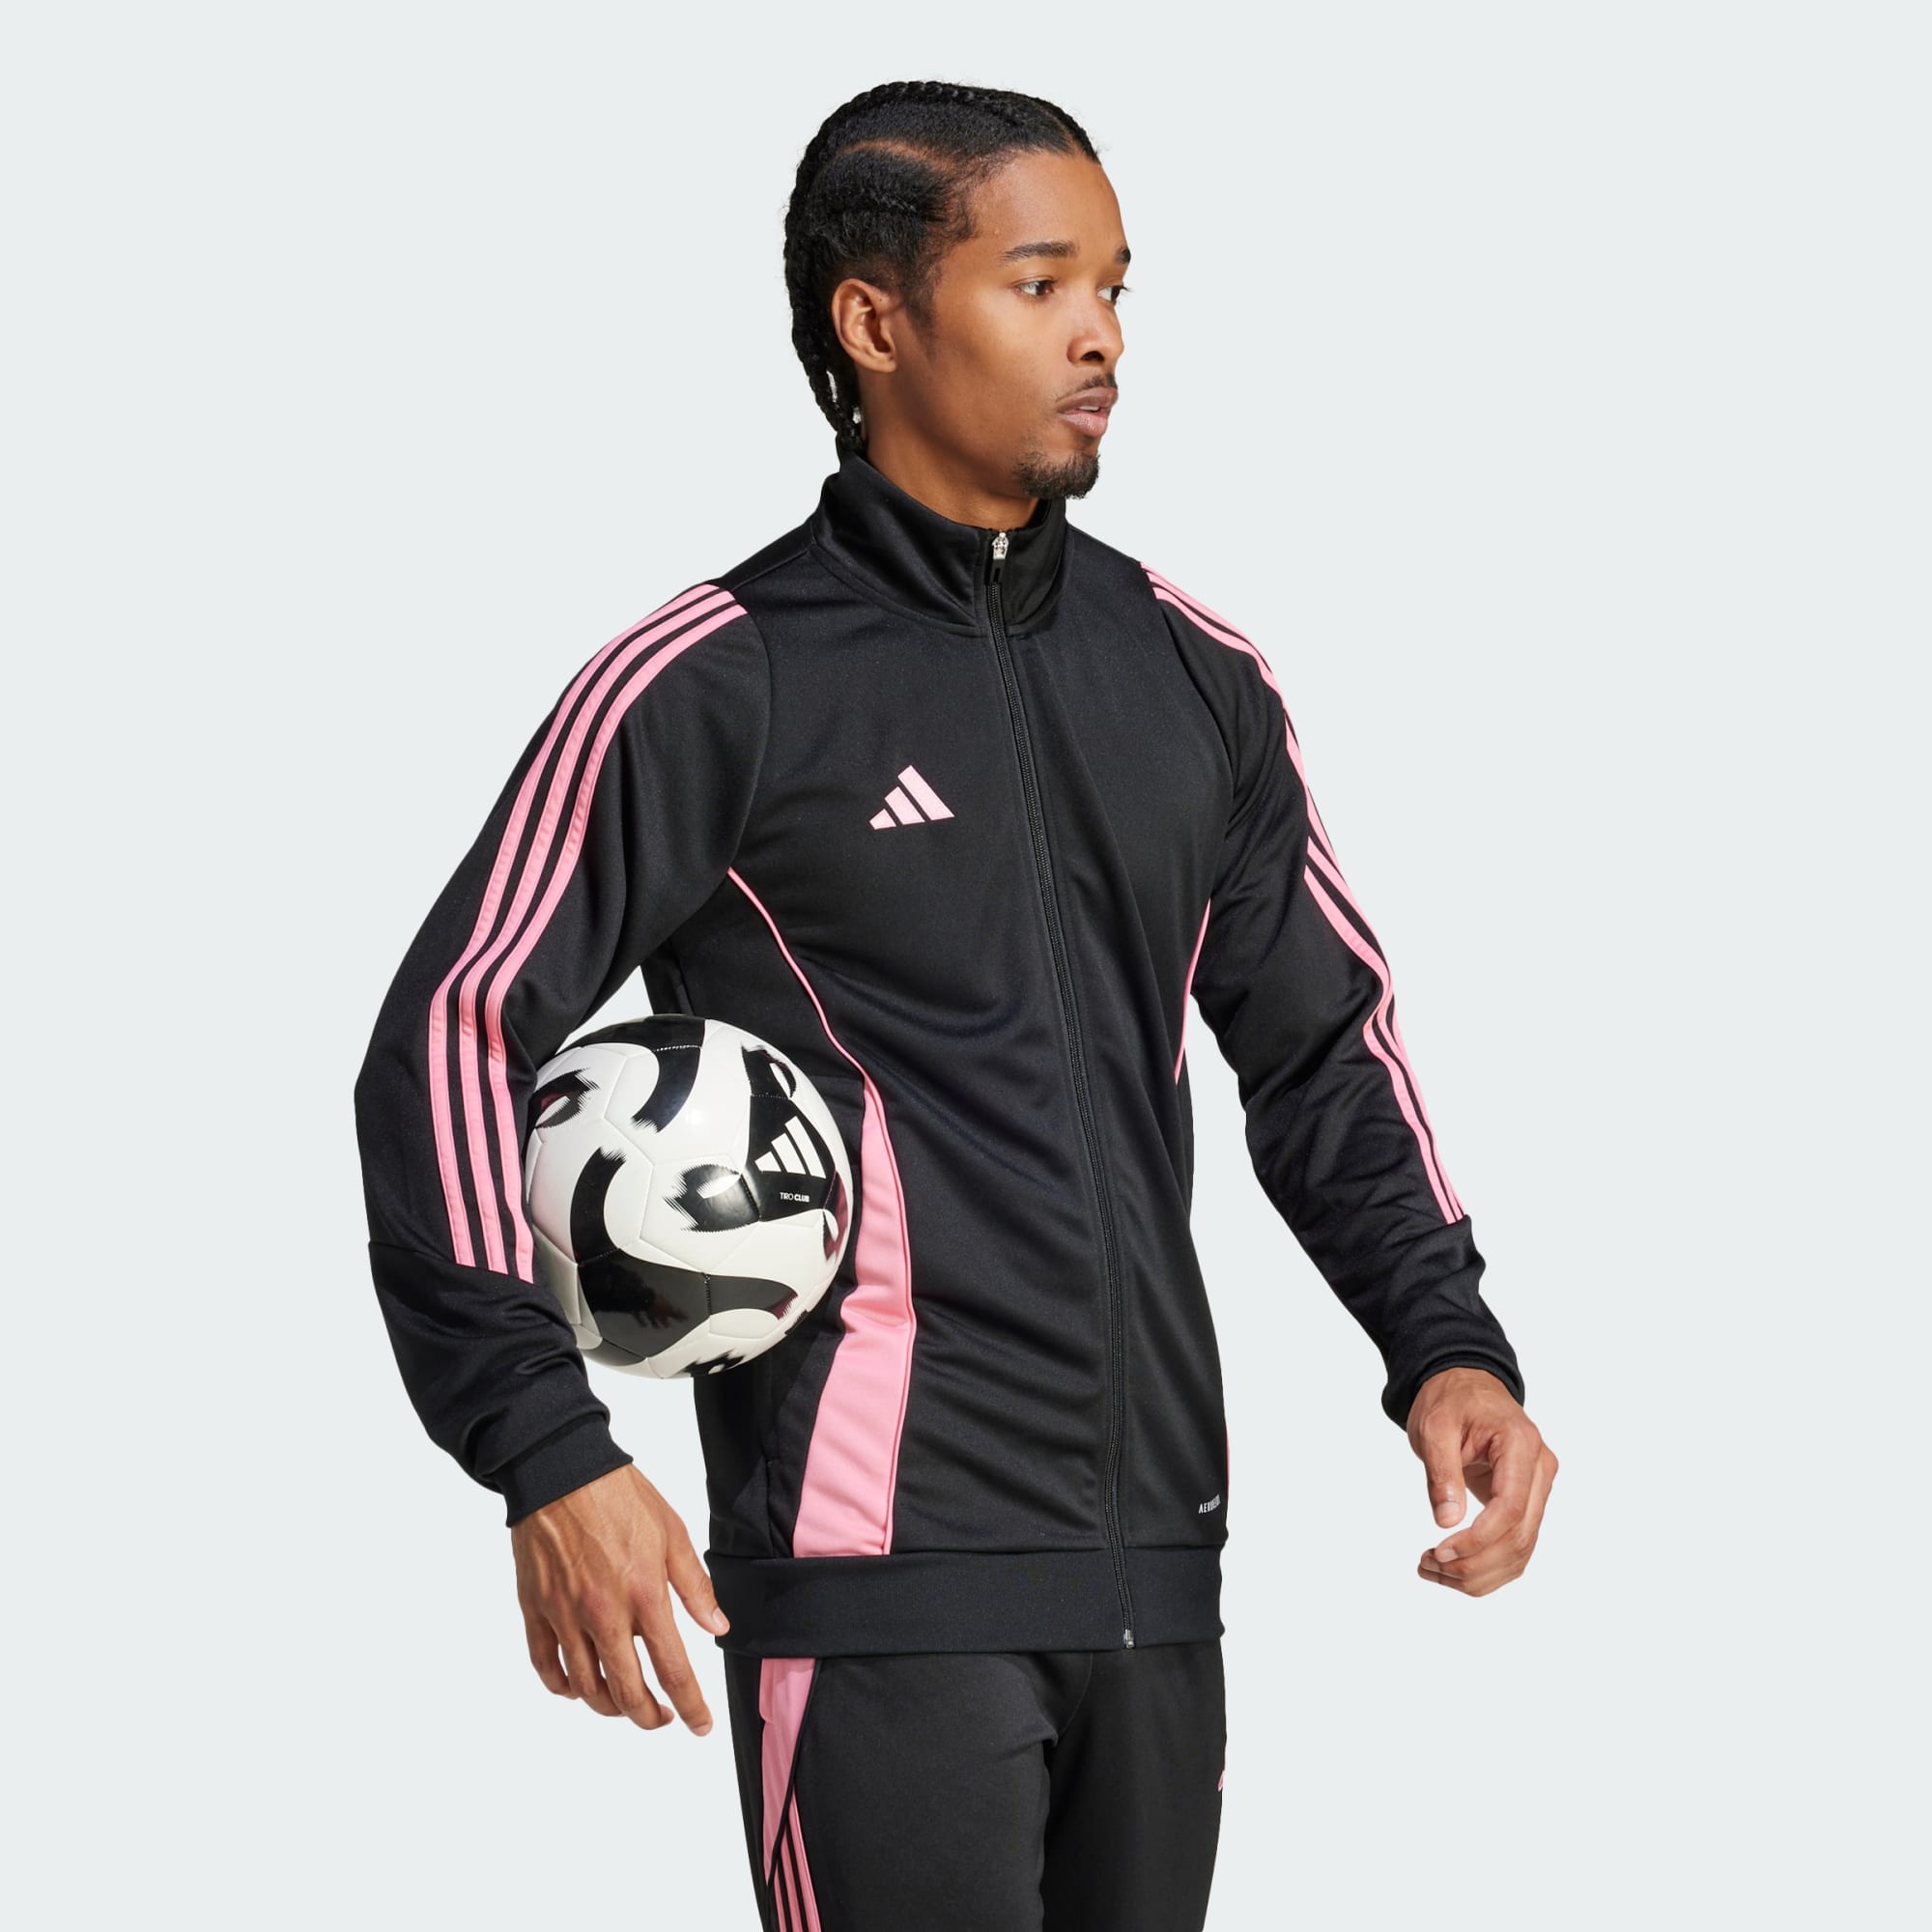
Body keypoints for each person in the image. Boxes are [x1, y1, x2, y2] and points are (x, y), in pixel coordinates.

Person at [352, 78, 1557, 1932]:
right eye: (1042, 281)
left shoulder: (1194, 674)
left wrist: (1446, 1342)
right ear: (875, 321)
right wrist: (544, 1450)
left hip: (1159, 1580)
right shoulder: (719, 683)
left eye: (1118, 288)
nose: (1103, 337)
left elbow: (1323, 1048)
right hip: (876, 1589)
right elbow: (453, 1032)